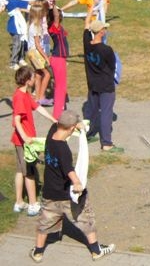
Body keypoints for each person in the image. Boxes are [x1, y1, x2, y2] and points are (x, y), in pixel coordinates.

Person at [30, 110, 115, 263]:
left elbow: (56, 123)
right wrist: (77, 182)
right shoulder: (63, 150)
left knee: (45, 222)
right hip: (67, 195)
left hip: (50, 193)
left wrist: (78, 125)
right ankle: (96, 251)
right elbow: (68, 169)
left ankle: (38, 252)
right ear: (72, 128)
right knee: (85, 218)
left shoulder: (51, 135)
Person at [11, 66, 57, 216]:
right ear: (27, 80)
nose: (34, 78)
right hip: (25, 141)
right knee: (29, 172)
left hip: (21, 140)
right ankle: (33, 204)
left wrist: (53, 119)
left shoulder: (25, 94)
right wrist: (25, 138)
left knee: (20, 171)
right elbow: (17, 120)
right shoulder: (19, 97)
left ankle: (19, 202)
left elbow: (37, 107)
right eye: (32, 77)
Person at [83, 19, 122, 153]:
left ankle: (89, 134)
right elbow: (112, 66)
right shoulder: (106, 50)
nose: (105, 30)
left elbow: (86, 29)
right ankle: (106, 143)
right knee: (106, 113)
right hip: (105, 85)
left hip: (92, 84)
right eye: (104, 29)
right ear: (101, 32)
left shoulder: (87, 45)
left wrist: (90, 12)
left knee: (93, 110)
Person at [26, 0, 52, 106]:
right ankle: (41, 97)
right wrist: (46, 57)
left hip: (31, 52)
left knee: (38, 74)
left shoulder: (32, 24)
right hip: (35, 53)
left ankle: (36, 98)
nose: (44, 14)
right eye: (43, 13)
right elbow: (38, 45)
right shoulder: (36, 27)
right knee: (47, 74)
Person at [47, 5, 69, 119]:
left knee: (61, 86)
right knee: (60, 87)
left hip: (61, 58)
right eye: (59, 14)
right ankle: (57, 114)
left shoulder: (59, 27)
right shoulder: (53, 27)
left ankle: (61, 109)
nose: (60, 15)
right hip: (58, 58)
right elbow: (55, 15)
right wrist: (53, 5)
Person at [4, 0, 30, 70]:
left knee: (22, 42)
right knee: (17, 44)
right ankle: (13, 62)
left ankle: (21, 58)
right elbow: (28, 3)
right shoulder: (13, 1)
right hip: (15, 27)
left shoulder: (9, 1)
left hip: (18, 26)